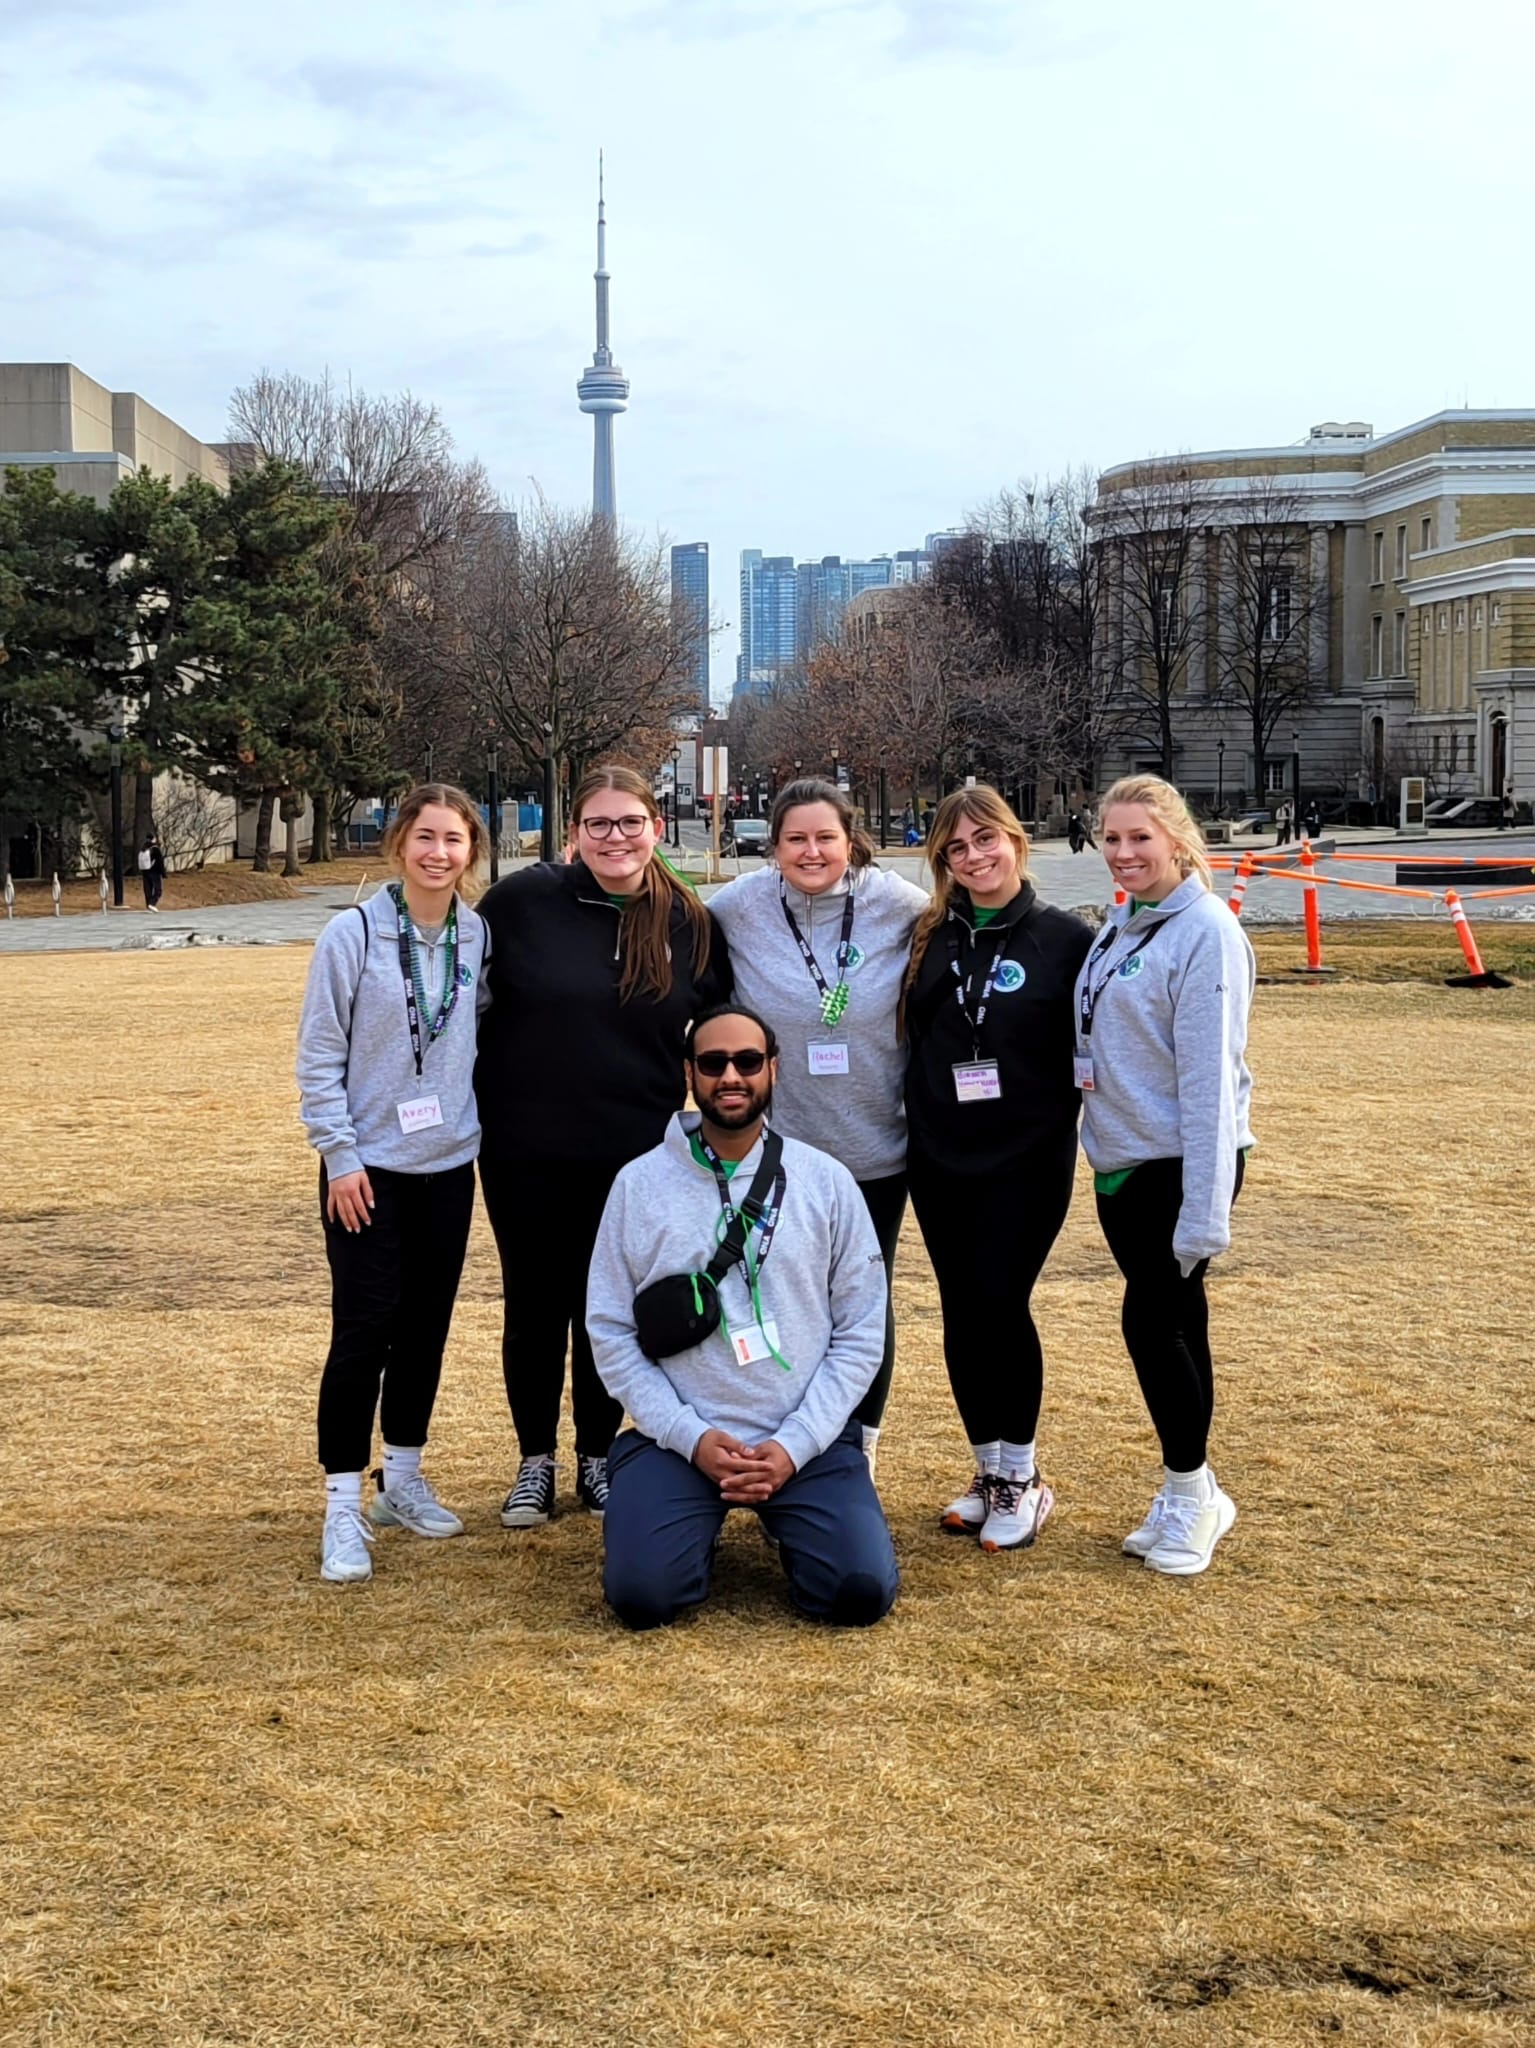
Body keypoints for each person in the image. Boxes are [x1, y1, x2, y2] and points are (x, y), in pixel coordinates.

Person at [475, 763, 731, 1530]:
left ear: (656, 829)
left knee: (606, 1313)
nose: (615, 837)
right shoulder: (520, 904)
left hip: (635, 1158)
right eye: (598, 824)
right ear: (572, 834)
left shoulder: (688, 923)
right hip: (525, 1149)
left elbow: (721, 1036)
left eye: (630, 823)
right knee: (533, 1304)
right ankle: (534, 1461)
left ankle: (595, 1453)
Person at [586, 1004, 899, 1630]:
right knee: (643, 1599)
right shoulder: (638, 1185)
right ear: (690, 1074)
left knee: (858, 1595)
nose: (731, 1076)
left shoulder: (827, 1182)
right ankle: (668, 1512)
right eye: (713, 1063)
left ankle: (798, 1515)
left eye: (748, 1061)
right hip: (677, 1441)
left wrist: (795, 1444)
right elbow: (610, 1331)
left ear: (774, 1070)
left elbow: (863, 1330)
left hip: (800, 1440)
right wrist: (689, 1437)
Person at [296, 783, 491, 1584]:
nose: (439, 853)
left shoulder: (476, 935)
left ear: (471, 852)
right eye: (426, 837)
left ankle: (400, 1478)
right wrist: (339, 1155)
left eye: (454, 840)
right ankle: (342, 1504)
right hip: (366, 1169)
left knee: (425, 1328)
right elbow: (318, 1055)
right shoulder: (352, 935)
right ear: (398, 844)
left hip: (447, 1163)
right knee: (362, 1332)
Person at [707, 778, 928, 1471]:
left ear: (850, 839)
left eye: (824, 837)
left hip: (874, 1150)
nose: (811, 852)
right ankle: (780, 1437)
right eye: (795, 839)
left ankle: (855, 1448)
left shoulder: (900, 905)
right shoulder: (737, 908)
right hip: (778, 1156)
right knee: (779, 1297)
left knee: (863, 1306)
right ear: (771, 847)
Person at [901, 784, 1094, 1552]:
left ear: (1015, 841)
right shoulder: (929, 933)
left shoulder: (1062, 939)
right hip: (938, 1154)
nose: (974, 857)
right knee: (959, 1308)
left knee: (1000, 1304)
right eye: (956, 848)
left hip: (1025, 1157)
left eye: (986, 840)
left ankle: (1023, 1476)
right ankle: (987, 1471)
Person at [1075, 774, 1255, 1577]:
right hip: (1118, 1163)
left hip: (1178, 1164)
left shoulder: (1203, 931)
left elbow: (1212, 1083)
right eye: (1110, 839)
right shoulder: (1121, 924)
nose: (1122, 854)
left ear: (1179, 841)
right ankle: (1195, 1486)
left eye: (1139, 838)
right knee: (1179, 1324)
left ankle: (1190, 1493)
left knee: (1152, 1325)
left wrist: (1203, 1213)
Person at [138, 833, 166, 911]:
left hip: (145, 872)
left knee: (147, 889)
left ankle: (148, 905)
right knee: (158, 890)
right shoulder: (155, 848)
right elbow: (160, 862)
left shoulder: (143, 849)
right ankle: (152, 903)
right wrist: (163, 873)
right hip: (155, 872)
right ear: (154, 839)